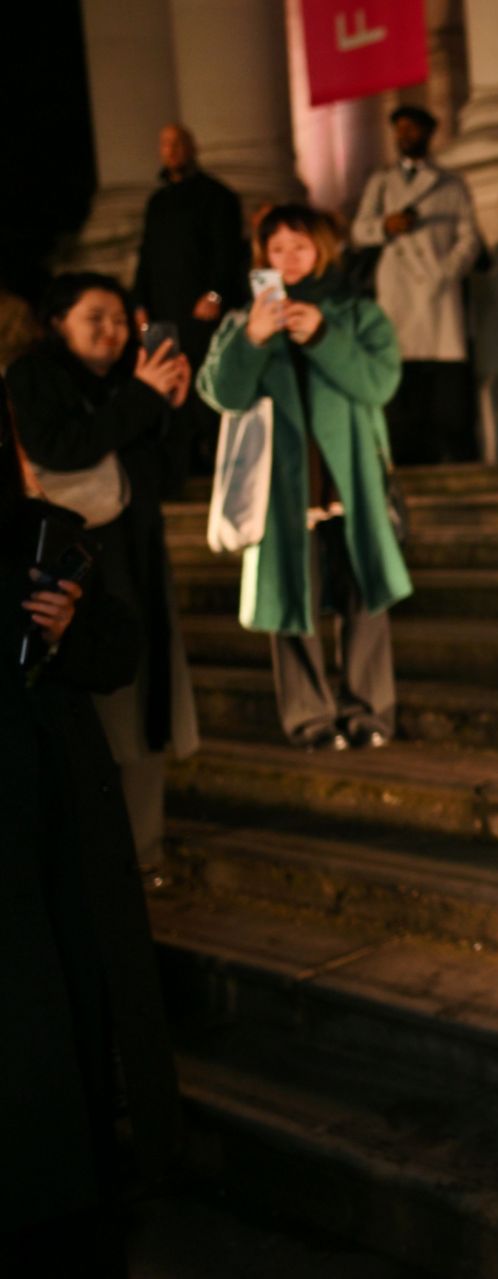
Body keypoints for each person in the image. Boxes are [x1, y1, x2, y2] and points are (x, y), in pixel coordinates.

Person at [1, 376, 182, 1274]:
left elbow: (119, 646)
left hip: (54, 818)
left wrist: (67, 628)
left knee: (63, 1001)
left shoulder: (38, 525)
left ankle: (71, 1188)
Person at [197, 204, 411, 751]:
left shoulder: (355, 313)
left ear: (321, 248)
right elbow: (223, 394)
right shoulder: (241, 321)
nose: (289, 259)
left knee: (366, 594)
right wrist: (251, 338)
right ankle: (310, 719)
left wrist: (322, 337)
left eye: (300, 246)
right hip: (281, 489)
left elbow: (379, 383)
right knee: (290, 597)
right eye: (277, 249)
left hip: (350, 484)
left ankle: (370, 712)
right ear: (262, 257)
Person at [8, 272, 200, 869]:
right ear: (58, 321)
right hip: (75, 565)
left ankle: (145, 848)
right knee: (100, 707)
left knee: (147, 702)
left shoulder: (128, 380)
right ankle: (103, 856)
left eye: (121, 320)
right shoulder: (32, 377)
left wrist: (173, 407)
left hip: (138, 558)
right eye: (96, 317)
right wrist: (141, 398)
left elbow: (168, 474)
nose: (113, 331)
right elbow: (60, 447)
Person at [350, 105, 481, 466]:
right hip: (398, 285)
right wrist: (385, 226)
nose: (404, 135)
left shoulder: (451, 184)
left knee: (444, 375)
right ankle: (408, 454)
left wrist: (447, 269)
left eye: (412, 128)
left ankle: (452, 452)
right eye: (399, 129)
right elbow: (360, 230)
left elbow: (470, 237)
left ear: (427, 132)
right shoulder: (382, 183)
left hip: (437, 287)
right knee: (403, 371)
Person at [129, 123, 247, 494]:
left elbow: (228, 252)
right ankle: (177, 476)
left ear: (192, 148)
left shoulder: (217, 196)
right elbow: (146, 257)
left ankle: (220, 471)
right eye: (165, 143)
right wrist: (139, 305)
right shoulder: (158, 202)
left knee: (204, 389)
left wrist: (215, 294)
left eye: (179, 143)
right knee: (168, 392)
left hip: (202, 315)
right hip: (163, 314)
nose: (172, 150)